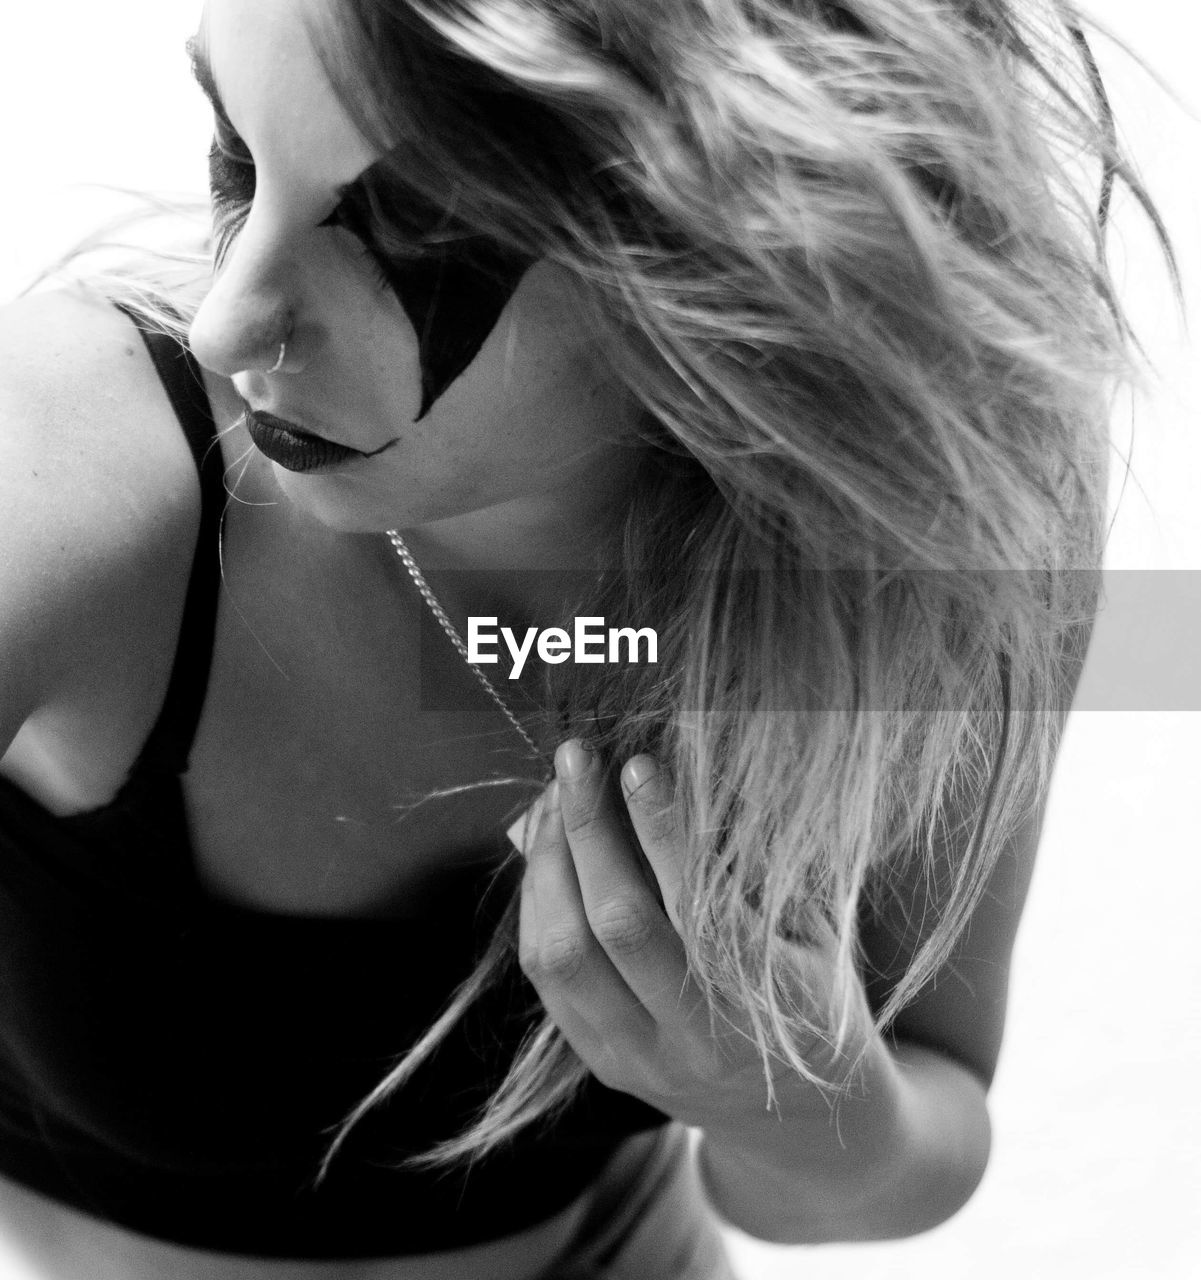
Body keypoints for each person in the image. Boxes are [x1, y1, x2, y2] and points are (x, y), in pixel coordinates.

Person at [0, 1, 1168, 1278]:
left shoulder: (940, 511)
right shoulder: (77, 456)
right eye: (238, 154)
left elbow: (897, 1147)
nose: (233, 322)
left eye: (409, 225)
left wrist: (786, 1091)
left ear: (746, 247)